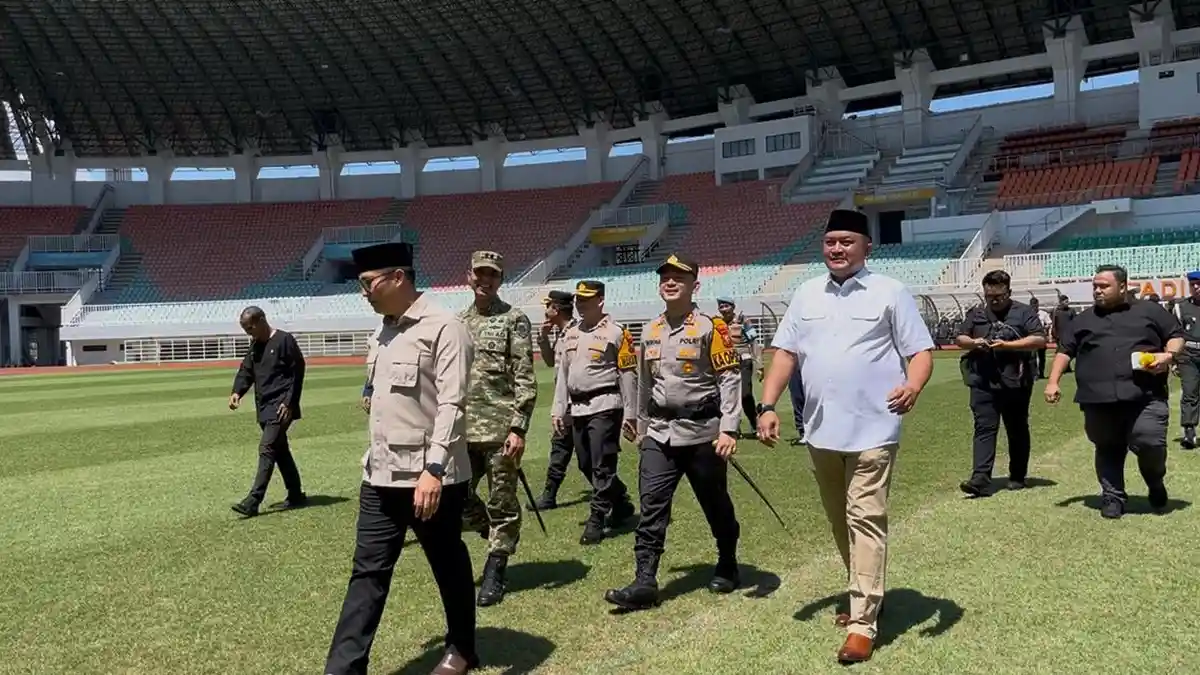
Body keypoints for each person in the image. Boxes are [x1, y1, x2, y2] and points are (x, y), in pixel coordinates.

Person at [756, 209, 934, 665]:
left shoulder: (890, 291)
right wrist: (768, 405)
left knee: (865, 519)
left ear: (866, 247)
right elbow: (785, 353)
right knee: (840, 521)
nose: (837, 248)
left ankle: (862, 624)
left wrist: (913, 386)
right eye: (831, 241)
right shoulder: (806, 293)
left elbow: (919, 352)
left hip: (874, 428)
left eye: (846, 241)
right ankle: (865, 593)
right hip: (820, 430)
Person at [324, 242, 479, 675]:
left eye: (368, 283)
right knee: (367, 573)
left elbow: (453, 404)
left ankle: (462, 648)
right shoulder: (383, 332)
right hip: (380, 475)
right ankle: (343, 669)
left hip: (430, 478)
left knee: (447, 564)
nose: (364, 293)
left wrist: (434, 468)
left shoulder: (445, 328)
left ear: (397, 278)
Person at [603, 254, 743, 611]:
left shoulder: (711, 328)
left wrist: (729, 429)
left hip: (702, 434)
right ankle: (644, 580)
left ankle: (727, 562)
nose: (669, 282)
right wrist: (636, 421)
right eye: (664, 277)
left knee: (715, 503)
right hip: (660, 434)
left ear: (695, 286)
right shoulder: (650, 330)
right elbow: (643, 381)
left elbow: (729, 378)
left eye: (678, 278)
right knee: (652, 505)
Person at [1045, 264, 1183, 520]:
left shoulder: (1150, 311)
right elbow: (1065, 351)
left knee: (1150, 442)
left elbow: (1175, 335)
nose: (1097, 290)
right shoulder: (1083, 319)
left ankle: (1155, 481)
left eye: (1104, 286)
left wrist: (1168, 356)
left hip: (1145, 395)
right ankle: (1113, 497)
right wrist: (1053, 382)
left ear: (1122, 286)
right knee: (1107, 447)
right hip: (1097, 398)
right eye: (1095, 286)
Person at [459, 250, 538, 608]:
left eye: (492, 274)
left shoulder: (514, 319)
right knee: (456, 497)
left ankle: (496, 569)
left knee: (502, 502)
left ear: (501, 280)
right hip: (462, 430)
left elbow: (525, 376)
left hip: (499, 430)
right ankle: (491, 532)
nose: (485, 280)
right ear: (469, 277)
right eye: (480, 273)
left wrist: (518, 428)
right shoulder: (457, 323)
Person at [551, 280, 638, 544]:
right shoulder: (571, 333)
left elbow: (628, 375)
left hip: (606, 405)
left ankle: (597, 519)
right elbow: (563, 374)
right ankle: (620, 501)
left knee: (602, 464)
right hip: (578, 408)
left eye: (586, 299)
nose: (580, 304)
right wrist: (558, 409)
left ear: (600, 300)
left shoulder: (617, 333)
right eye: (578, 299)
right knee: (585, 463)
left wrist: (631, 414)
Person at [955, 271, 1047, 497]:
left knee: (1016, 428)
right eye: (989, 296)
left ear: (1009, 292)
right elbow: (960, 338)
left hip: (1016, 381)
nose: (994, 301)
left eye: (999, 296)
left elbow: (1039, 339)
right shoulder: (976, 313)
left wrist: (1008, 345)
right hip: (983, 380)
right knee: (984, 427)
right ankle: (980, 478)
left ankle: (1017, 475)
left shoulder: (1024, 312)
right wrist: (974, 342)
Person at [228, 306, 307, 517]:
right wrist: (237, 391)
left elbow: (297, 372)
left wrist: (289, 402)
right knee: (280, 451)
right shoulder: (255, 345)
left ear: (262, 320)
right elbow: (246, 370)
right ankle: (296, 494)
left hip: (281, 407)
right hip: (264, 407)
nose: (248, 333)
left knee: (267, 447)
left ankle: (253, 500)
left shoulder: (284, 340)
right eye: (245, 329)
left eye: (250, 328)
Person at [532, 289, 592, 509]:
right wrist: (543, 339)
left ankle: (617, 498)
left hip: (577, 404)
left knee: (586, 458)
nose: (545, 310)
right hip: (565, 403)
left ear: (555, 309)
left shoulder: (577, 333)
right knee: (560, 449)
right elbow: (550, 362)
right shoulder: (561, 333)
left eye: (547, 306)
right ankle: (549, 495)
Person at [717, 298, 762, 437]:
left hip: (744, 361)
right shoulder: (717, 323)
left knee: (745, 395)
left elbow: (753, 342)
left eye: (726, 306)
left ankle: (755, 424)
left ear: (733, 307)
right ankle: (733, 427)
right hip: (726, 363)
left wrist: (759, 364)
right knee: (727, 396)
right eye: (721, 307)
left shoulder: (743, 321)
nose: (724, 309)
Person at [1172, 271, 1200, 449]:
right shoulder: (1181, 307)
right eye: (1193, 284)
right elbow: (1174, 334)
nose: (1196, 287)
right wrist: (1174, 360)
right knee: (1190, 393)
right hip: (1189, 355)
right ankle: (1189, 432)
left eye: (1199, 284)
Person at [1050, 294, 1076, 373]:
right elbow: (1054, 323)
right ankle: (1061, 367)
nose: (1067, 303)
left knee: (1070, 352)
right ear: (1061, 302)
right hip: (1060, 335)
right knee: (1061, 352)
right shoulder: (1055, 311)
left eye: (1068, 301)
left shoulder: (1071, 311)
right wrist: (1054, 334)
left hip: (1069, 334)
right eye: (1066, 301)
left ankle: (1066, 366)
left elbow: (1075, 321)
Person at [1029, 297, 1052, 378]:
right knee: (1033, 357)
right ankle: (1035, 374)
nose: (1034, 307)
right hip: (1032, 337)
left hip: (1041, 337)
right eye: (1032, 305)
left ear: (1037, 305)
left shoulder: (1043, 314)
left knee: (1042, 356)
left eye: (1035, 305)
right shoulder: (1028, 314)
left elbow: (1049, 323)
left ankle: (1041, 373)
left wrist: (1045, 328)